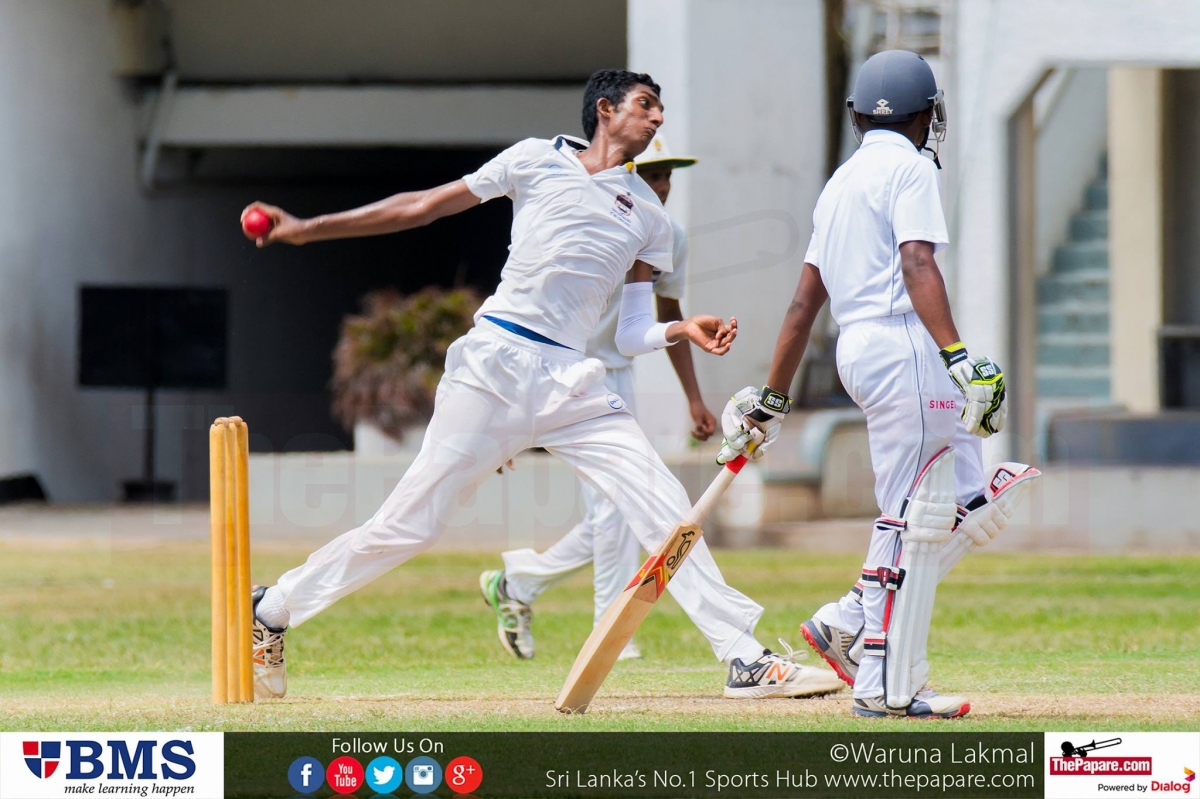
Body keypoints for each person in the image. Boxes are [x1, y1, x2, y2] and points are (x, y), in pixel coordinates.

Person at [240, 69, 843, 702]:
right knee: (410, 527)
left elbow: (632, 330)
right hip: (493, 366)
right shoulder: (534, 159)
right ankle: (274, 608)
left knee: (661, 499)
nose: (658, 118)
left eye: (661, 110)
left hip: (572, 381)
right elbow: (422, 206)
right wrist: (307, 228)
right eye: (645, 105)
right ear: (605, 110)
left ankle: (744, 657)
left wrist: (681, 329)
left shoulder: (650, 216)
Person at [716, 50, 1038, 719]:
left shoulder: (839, 183)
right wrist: (958, 356)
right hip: (904, 345)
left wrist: (773, 400)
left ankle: (849, 620)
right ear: (927, 115)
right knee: (915, 515)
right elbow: (917, 261)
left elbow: (803, 304)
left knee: (971, 501)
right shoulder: (911, 168)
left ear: (857, 115)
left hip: (859, 348)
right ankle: (887, 686)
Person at [478, 134, 714, 663]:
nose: (661, 186)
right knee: (616, 512)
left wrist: (694, 399)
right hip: (563, 373)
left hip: (617, 377)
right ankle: (610, 631)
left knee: (623, 510)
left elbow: (668, 314)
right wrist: (504, 416)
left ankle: (520, 583)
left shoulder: (667, 235)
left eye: (667, 176)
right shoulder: (586, 214)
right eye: (651, 175)